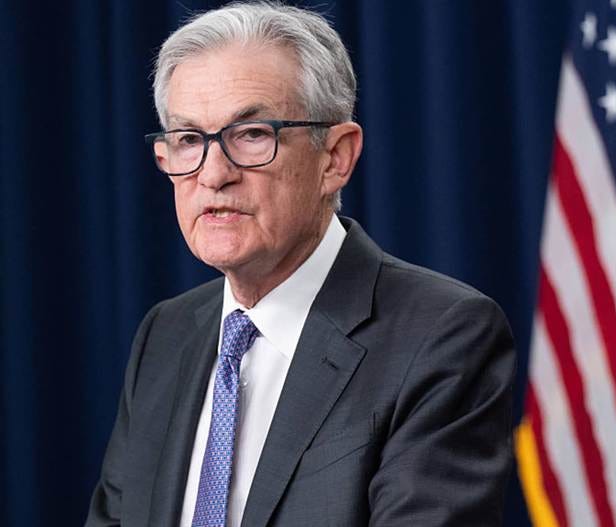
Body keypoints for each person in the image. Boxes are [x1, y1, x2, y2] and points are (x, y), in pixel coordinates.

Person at [85, 2, 515, 526]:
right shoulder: (165, 335)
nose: (213, 173)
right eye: (189, 140)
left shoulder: (441, 337)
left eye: (251, 135)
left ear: (335, 157)